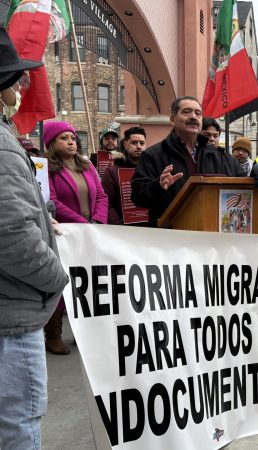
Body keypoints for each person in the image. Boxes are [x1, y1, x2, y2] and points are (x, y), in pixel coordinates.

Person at [0, 27, 69, 450]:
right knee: (18, 427)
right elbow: (10, 234)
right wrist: (56, 276)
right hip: (12, 318)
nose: (23, 85)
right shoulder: (4, 147)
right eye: (15, 76)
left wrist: (45, 224)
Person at [131, 97, 244, 227]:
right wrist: (158, 186)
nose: (193, 117)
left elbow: (244, 185)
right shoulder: (152, 155)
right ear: (173, 120)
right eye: (186, 112)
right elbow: (137, 196)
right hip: (172, 234)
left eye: (198, 113)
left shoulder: (219, 156)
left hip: (211, 233)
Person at [45, 120, 108, 353]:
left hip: (90, 232)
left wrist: (98, 221)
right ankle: (53, 334)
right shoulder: (47, 168)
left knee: (87, 284)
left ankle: (84, 334)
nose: (71, 142)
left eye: (73, 138)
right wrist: (82, 224)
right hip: (63, 234)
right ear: (52, 142)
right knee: (61, 284)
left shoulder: (86, 165)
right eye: (64, 138)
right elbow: (52, 201)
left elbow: (101, 195)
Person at [101, 126, 147, 225]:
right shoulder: (112, 171)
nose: (139, 146)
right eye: (134, 143)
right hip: (123, 230)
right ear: (125, 144)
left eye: (142, 143)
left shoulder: (152, 169)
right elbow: (106, 202)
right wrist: (119, 225)